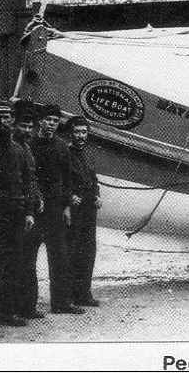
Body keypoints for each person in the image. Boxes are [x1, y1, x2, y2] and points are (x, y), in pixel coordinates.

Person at [29, 104, 84, 314]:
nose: (51, 124)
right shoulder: (30, 144)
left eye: (55, 121)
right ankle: (28, 306)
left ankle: (61, 303)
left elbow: (67, 179)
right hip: (35, 208)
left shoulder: (62, 147)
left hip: (55, 209)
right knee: (29, 259)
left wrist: (67, 207)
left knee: (60, 258)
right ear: (40, 121)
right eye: (48, 120)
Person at [0, 100, 36, 327]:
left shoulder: (20, 149)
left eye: (6, 117)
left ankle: (10, 311)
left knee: (16, 261)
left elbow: (27, 181)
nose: (2, 121)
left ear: (12, 120)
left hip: (17, 211)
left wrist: (29, 212)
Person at [12, 100, 45, 320]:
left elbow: (32, 179)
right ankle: (15, 308)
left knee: (29, 262)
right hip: (20, 212)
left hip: (30, 210)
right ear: (15, 125)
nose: (26, 130)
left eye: (30, 127)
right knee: (18, 262)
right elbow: (18, 182)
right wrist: (28, 210)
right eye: (23, 126)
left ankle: (28, 306)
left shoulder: (27, 147)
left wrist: (38, 198)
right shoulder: (13, 148)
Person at [67, 116, 101, 307]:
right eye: (77, 132)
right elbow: (61, 178)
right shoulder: (65, 153)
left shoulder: (88, 154)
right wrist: (69, 195)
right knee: (73, 250)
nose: (80, 136)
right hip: (75, 208)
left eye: (83, 132)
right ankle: (71, 293)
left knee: (88, 251)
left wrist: (97, 195)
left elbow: (94, 179)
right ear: (70, 134)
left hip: (89, 207)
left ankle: (84, 293)